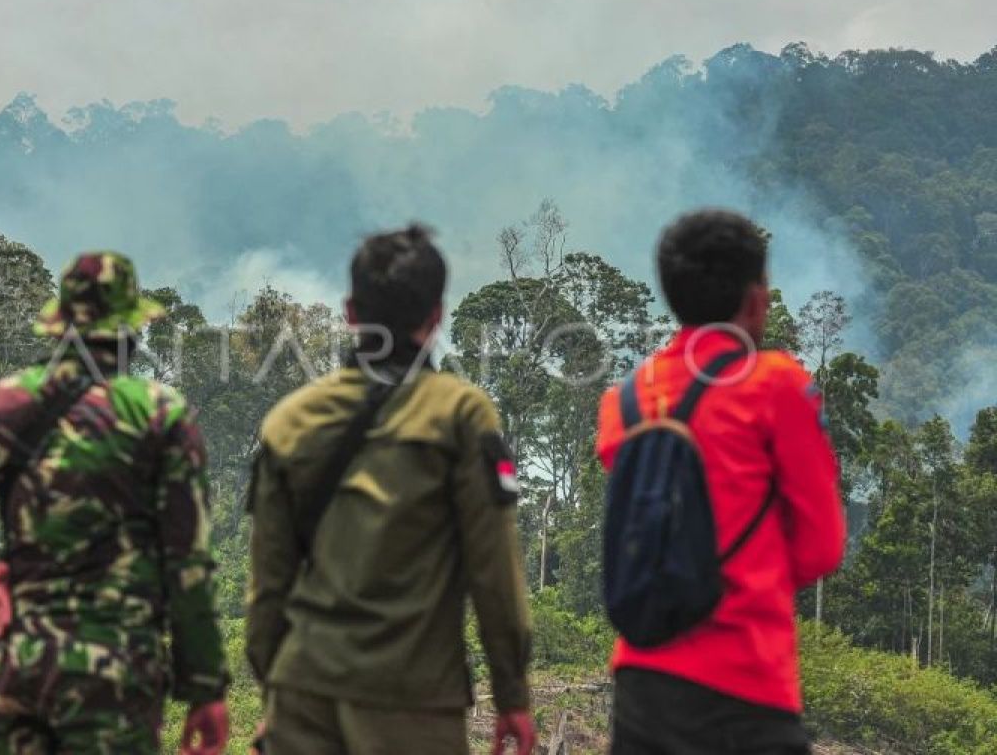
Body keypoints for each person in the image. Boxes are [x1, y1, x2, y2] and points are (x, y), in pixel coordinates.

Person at [0, 252, 230, 755]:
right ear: (131, 331)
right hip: (117, 674)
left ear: (59, 326)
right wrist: (205, 688)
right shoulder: (159, 416)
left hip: (21, 664)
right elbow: (187, 563)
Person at [246, 224, 536, 755]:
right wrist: (512, 695)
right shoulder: (460, 414)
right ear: (436, 316)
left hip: (303, 691)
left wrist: (276, 691)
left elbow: (268, 584)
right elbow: (494, 570)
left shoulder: (289, 421)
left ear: (351, 313)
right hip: (414, 700)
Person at [596, 210, 847, 755]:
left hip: (642, 685)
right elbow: (820, 549)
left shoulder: (625, 400)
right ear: (756, 298)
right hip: (746, 685)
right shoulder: (776, 385)